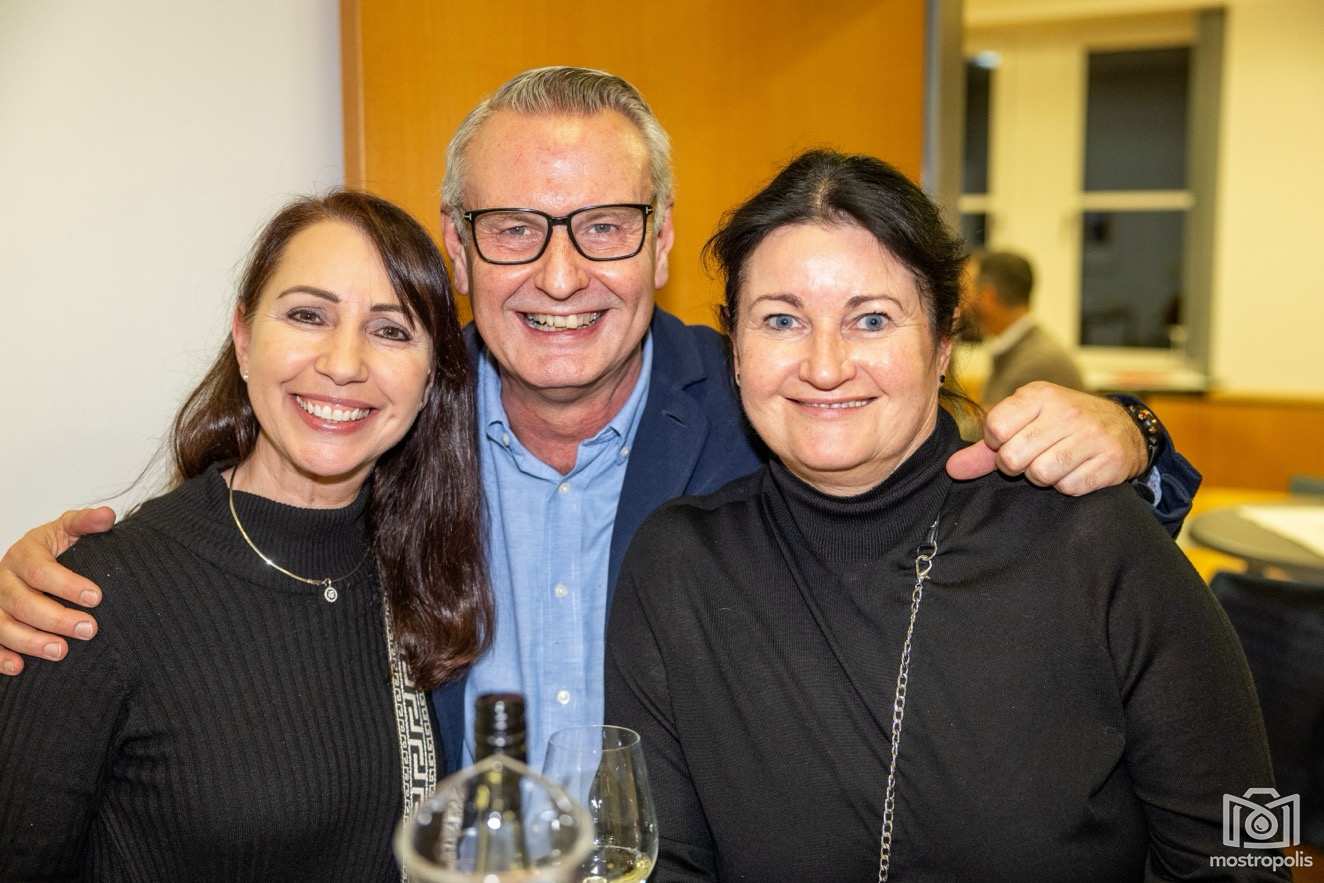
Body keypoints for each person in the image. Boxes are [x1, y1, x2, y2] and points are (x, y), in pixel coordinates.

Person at [0, 68, 1199, 773]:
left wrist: (1133, 437)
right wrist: (73, 584)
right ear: (459, 245)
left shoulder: (772, 397)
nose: (561, 275)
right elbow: (251, 540)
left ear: (662, 240)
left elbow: (968, 486)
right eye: (514, 228)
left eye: (606, 227)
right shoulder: (393, 412)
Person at [604, 150, 1278, 881]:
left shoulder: (1091, 539)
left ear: (944, 342)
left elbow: (1247, 852)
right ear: (735, 348)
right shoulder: (678, 564)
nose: (825, 366)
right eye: (781, 320)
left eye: (871, 319)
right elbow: (663, 863)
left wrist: (1136, 428)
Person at [0, 191, 490, 880]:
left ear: (431, 370)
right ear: (243, 336)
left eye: (390, 330)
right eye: (308, 315)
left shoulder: (418, 569)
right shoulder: (89, 601)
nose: (344, 363)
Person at [966, 249, 1086, 406]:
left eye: (967, 291)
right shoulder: (1017, 352)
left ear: (988, 296)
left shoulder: (1039, 364)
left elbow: (989, 419)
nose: (963, 303)